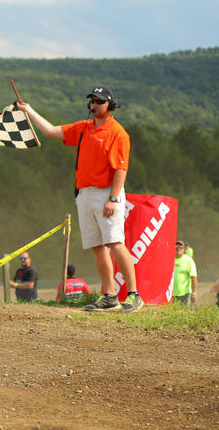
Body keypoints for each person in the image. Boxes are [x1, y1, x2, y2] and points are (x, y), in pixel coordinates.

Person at [18, 86, 144, 313]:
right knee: (97, 246)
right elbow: (51, 131)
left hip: (107, 193)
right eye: (92, 101)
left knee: (115, 242)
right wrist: (29, 110)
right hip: (84, 193)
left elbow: (121, 169)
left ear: (111, 105)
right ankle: (109, 295)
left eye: (100, 101)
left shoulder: (118, 132)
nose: (94, 105)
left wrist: (114, 198)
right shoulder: (83, 128)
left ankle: (134, 294)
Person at [173, 240, 198, 305]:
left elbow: (194, 277)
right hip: (170, 295)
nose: (178, 248)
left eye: (180, 247)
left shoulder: (189, 261)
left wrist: (194, 293)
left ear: (184, 249)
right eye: (176, 247)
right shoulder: (169, 259)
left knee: (183, 312)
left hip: (184, 294)